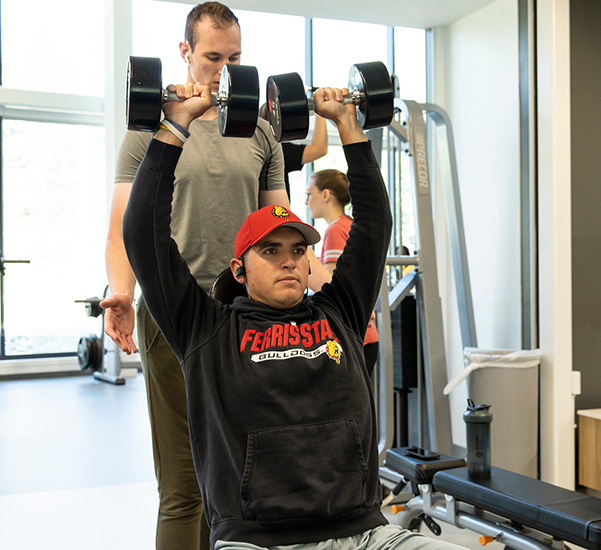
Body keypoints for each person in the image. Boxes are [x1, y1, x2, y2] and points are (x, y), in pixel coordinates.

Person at [122, 73, 468, 550]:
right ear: (238, 270)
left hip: (364, 533)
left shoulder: (339, 313)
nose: (289, 259)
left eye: (297, 249)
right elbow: (143, 235)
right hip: (257, 540)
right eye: (270, 251)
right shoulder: (206, 329)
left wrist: (350, 123)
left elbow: (373, 225)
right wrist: (174, 128)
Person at [101, 3, 328, 549]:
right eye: (211, 57)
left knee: (250, 476)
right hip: (175, 313)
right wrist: (121, 291)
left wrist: (333, 298)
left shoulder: (263, 134)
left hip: (243, 317)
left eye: (235, 58)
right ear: (185, 52)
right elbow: (122, 231)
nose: (224, 69)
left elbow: (283, 233)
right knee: (186, 486)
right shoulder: (151, 127)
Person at [306, 168, 380, 375]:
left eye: (309, 194)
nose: (307, 202)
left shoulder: (335, 230)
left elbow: (331, 286)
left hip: (353, 334)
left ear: (326, 195)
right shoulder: (348, 226)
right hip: (365, 334)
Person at [259, 103, 329, 198]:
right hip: (274, 210)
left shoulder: (257, 150)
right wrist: (320, 110)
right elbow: (319, 149)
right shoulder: (277, 150)